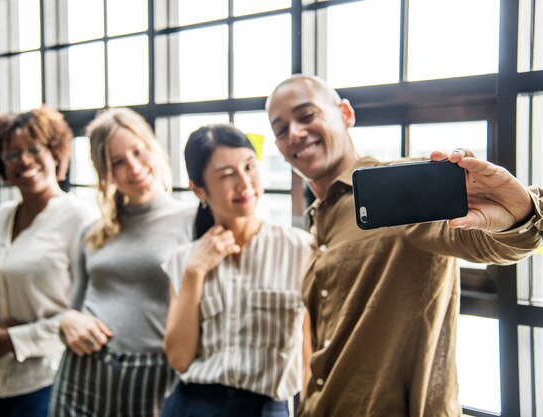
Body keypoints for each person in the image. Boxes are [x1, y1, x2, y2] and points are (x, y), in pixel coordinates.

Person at [266, 74, 543, 417]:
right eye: (280, 129)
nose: (294, 133)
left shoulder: (396, 191)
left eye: (307, 116)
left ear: (346, 114)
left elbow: (488, 241)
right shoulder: (319, 217)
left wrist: (520, 213)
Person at [48, 108, 194, 417]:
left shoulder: (193, 222)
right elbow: (73, 309)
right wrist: (66, 322)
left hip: (154, 379)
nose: (134, 167)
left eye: (138, 152)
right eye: (117, 162)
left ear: (153, 148)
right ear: (106, 173)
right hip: (82, 373)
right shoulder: (93, 232)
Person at [160, 124, 313, 417]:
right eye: (226, 175)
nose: (244, 183)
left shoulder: (300, 249)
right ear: (198, 189)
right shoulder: (183, 261)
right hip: (193, 406)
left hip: (267, 407)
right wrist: (195, 273)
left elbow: (309, 356)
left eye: (249, 167)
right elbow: (179, 358)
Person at [0, 107, 98, 417]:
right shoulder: (0, 217)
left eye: (34, 149)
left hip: (47, 383)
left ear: (54, 154)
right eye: (11, 155)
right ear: (1, 164)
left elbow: (87, 309)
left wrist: (12, 340)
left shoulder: (81, 220)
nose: (23, 160)